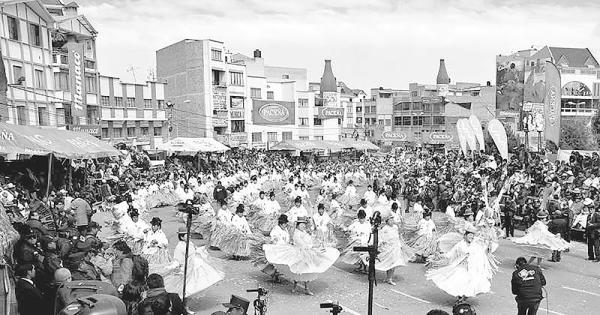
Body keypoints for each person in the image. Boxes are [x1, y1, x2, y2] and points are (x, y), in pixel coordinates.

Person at [163, 227, 224, 298]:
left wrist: (201, 249)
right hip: (187, 270)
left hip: (195, 267)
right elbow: (177, 260)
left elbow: (194, 250)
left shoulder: (190, 243)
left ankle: (187, 304)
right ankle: (185, 305)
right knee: (188, 288)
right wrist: (173, 266)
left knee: (196, 285)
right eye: (187, 235)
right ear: (182, 237)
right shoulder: (179, 247)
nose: (189, 236)